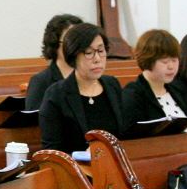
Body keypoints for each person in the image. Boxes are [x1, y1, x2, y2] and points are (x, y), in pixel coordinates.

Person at [38, 24, 128, 154]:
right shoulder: (56, 94)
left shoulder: (112, 85)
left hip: (113, 163)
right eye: (89, 53)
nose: (97, 59)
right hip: (75, 165)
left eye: (101, 51)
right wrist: (83, 156)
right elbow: (51, 152)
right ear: (73, 56)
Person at [123, 29, 187, 125]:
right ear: (148, 60)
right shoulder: (133, 95)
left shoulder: (179, 89)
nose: (171, 67)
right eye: (165, 61)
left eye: (174, 60)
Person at [25, 13, 83, 110]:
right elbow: (34, 116)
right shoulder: (41, 81)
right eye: (69, 41)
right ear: (55, 44)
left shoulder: (89, 75)